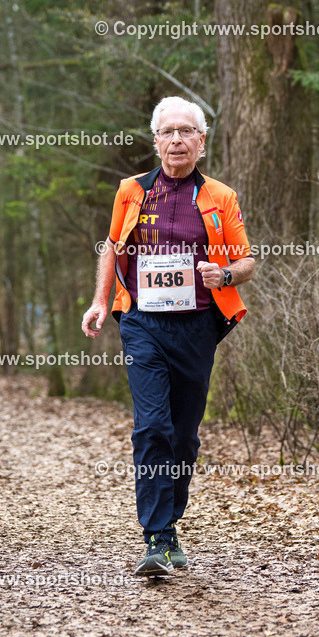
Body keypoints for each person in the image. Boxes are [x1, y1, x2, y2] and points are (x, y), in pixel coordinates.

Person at [81, 96, 255, 575]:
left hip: (199, 324)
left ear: (201, 141)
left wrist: (225, 274)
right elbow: (111, 247)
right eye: (167, 132)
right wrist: (100, 301)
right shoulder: (131, 190)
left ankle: (170, 521)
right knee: (151, 426)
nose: (176, 140)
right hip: (142, 322)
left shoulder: (221, 196)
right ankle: (156, 536)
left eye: (186, 131)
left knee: (183, 434)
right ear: (156, 141)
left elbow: (246, 260)